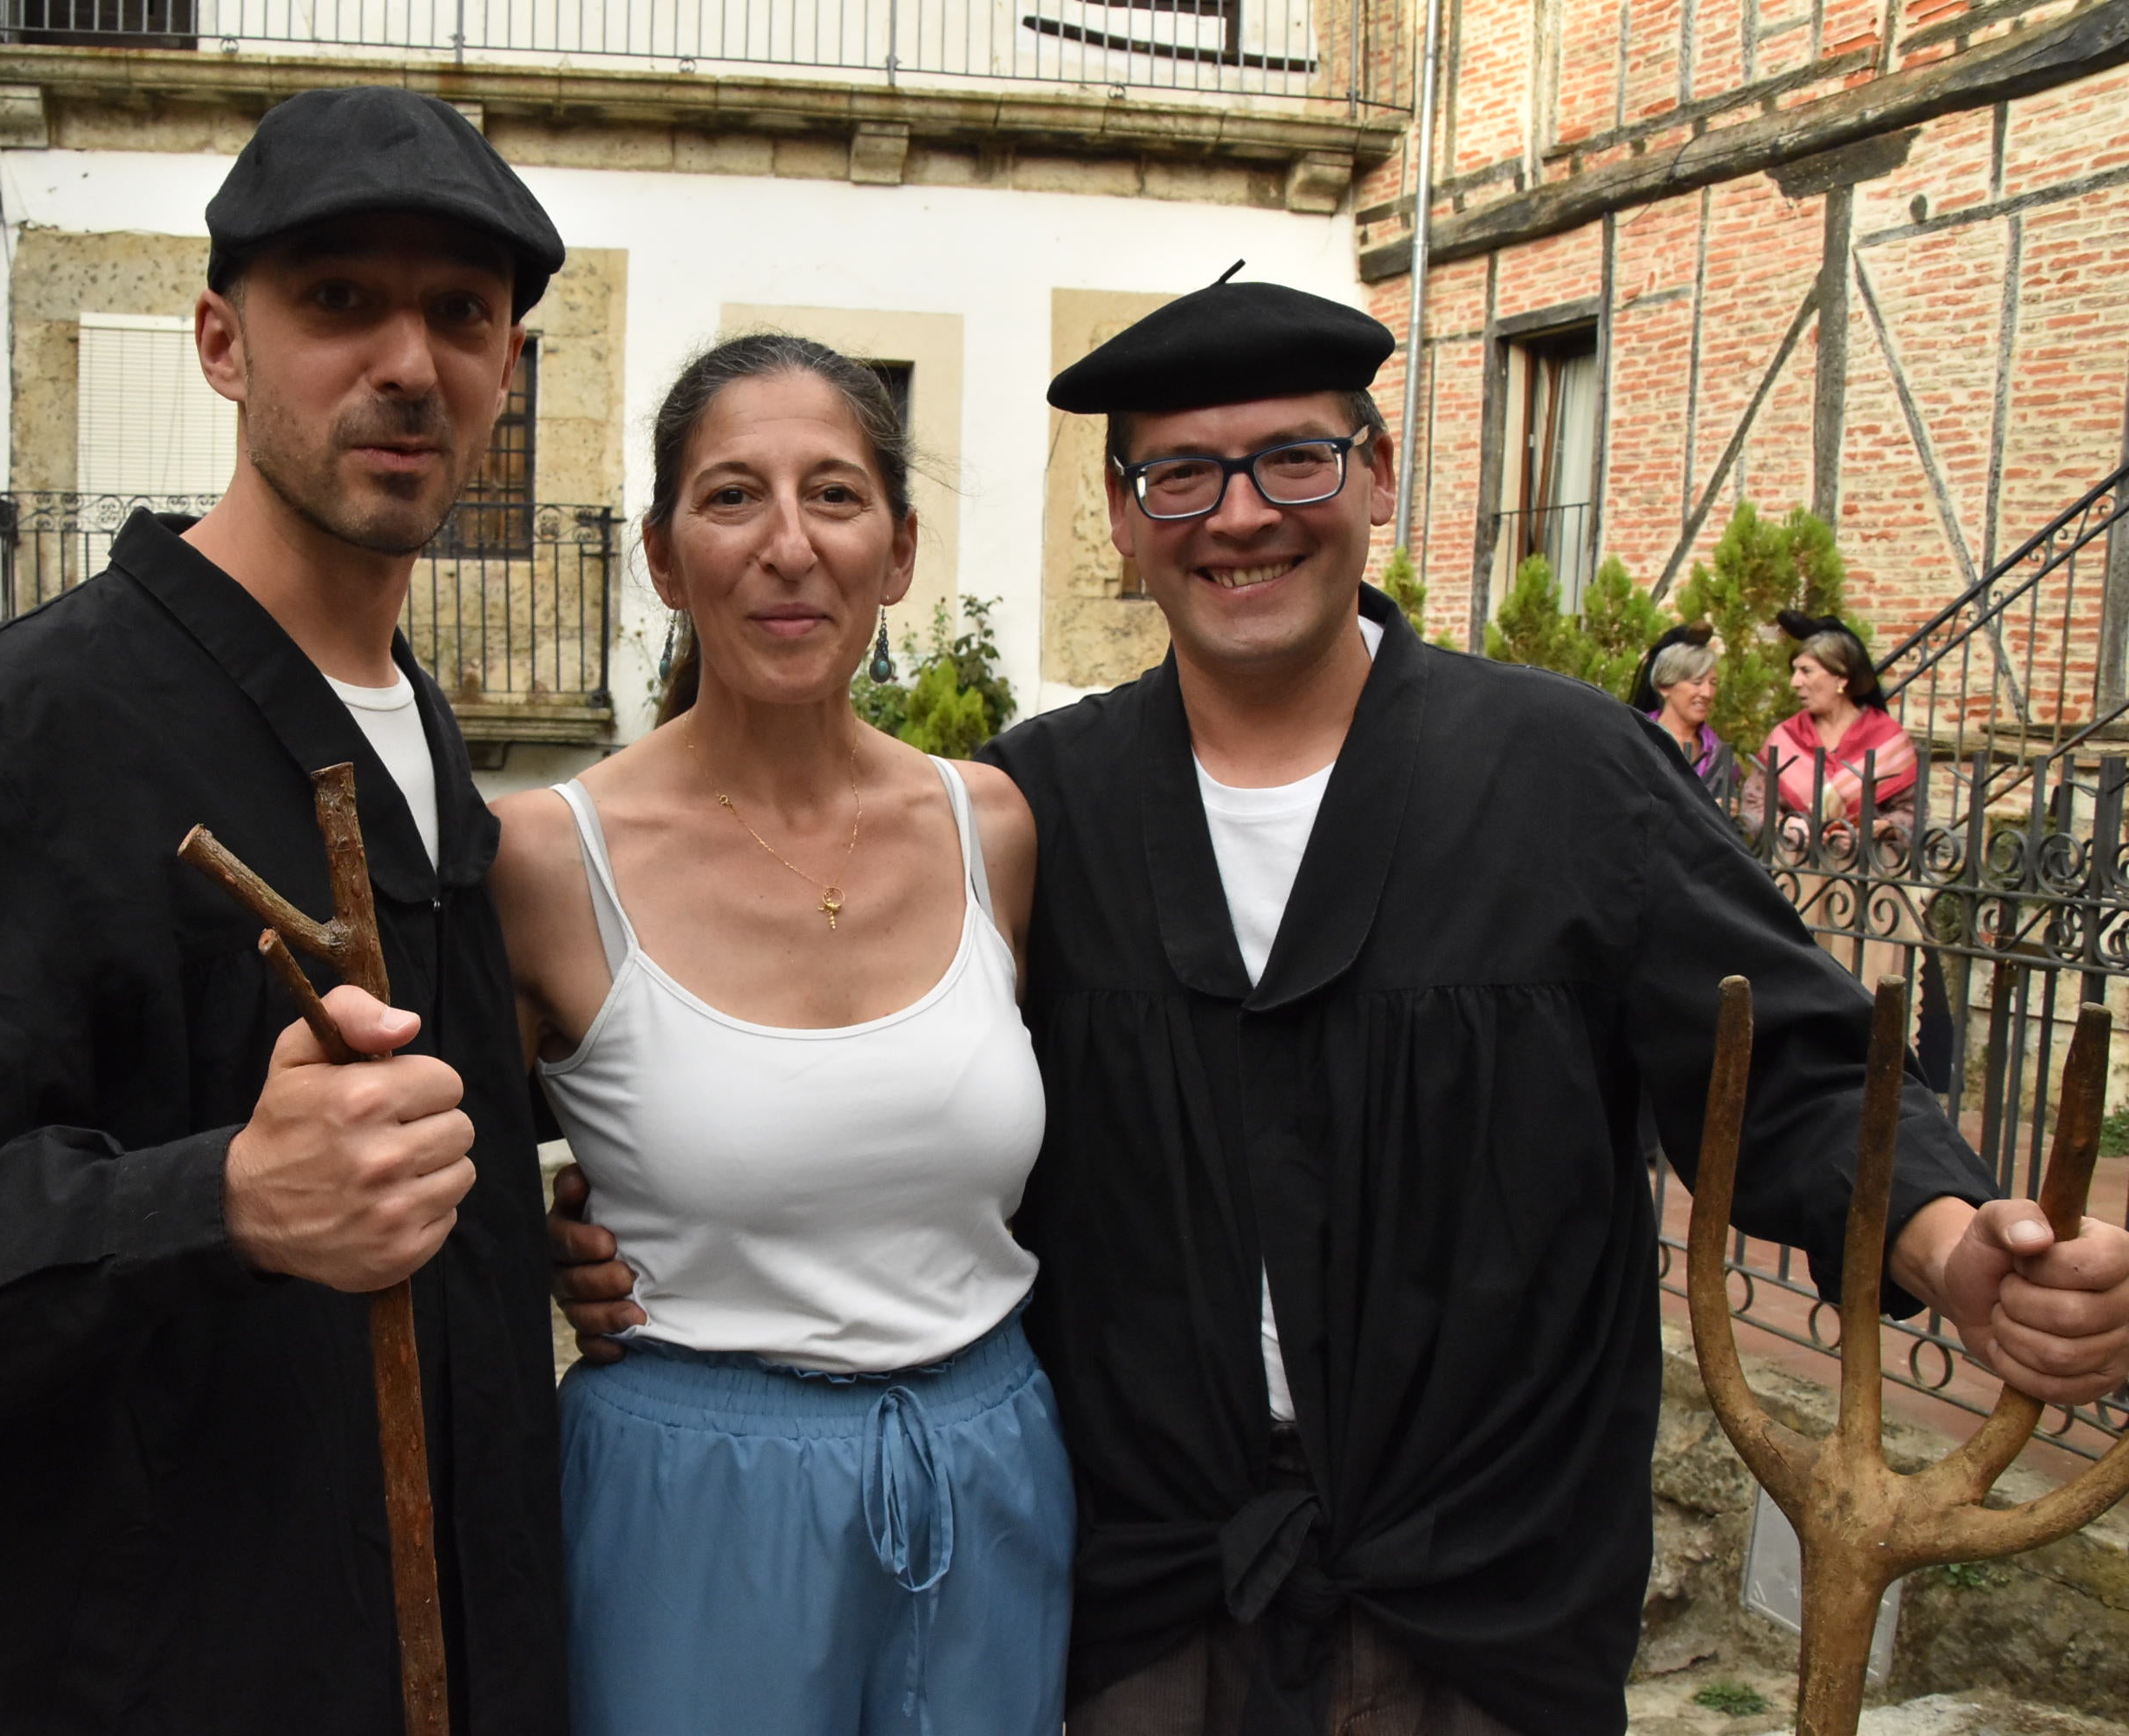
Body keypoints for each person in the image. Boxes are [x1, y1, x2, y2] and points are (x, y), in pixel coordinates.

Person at [551, 277, 2129, 1734]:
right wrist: (602, 1221)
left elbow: (1777, 1068)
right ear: (1120, 518)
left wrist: (1942, 1241)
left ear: (1374, 481)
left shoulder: (1567, 776)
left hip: (1477, 1599)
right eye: (1181, 474)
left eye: (1292, 462)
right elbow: (880, 1100)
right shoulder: (1044, 808)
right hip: (1143, 1595)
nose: (1239, 517)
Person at [0, 89, 569, 1734]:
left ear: (507, 373)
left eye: (461, 314)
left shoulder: (422, 738)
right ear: (219, 344)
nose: (408, 361)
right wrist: (220, 1205)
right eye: (337, 302)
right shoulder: (28, 731)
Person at [490, 333, 1072, 1736]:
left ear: (899, 549)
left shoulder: (989, 828)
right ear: (661, 553)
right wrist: (540, 1237)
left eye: (835, 495)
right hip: (692, 1492)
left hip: (985, 1471)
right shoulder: (545, 859)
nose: (789, 546)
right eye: (733, 496)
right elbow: (436, 1163)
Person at [1752, 610, 1917, 845]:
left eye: (1806, 671)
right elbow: (1754, 804)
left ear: (1841, 678)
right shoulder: (1785, 737)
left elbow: (1913, 812)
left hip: (1866, 870)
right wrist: (1783, 824)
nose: (1795, 682)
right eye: (1795, 671)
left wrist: (1880, 829)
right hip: (1797, 868)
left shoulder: (1887, 738)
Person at [1629, 622, 1738, 808]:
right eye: (1697, 682)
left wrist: (1729, 811)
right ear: (1665, 687)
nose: (1707, 693)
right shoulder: (1636, 740)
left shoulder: (1719, 754)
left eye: (1713, 683)